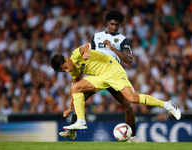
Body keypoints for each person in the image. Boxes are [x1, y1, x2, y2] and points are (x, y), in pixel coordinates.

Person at [50, 43, 181, 140]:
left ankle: (167, 105)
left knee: (133, 99)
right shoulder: (72, 71)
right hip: (100, 77)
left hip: (112, 70)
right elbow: (75, 86)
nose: (67, 71)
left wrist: (86, 53)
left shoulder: (75, 54)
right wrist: (69, 107)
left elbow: (87, 46)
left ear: (66, 59)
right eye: (63, 71)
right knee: (75, 87)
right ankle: (81, 121)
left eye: (65, 67)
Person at [59, 9, 140, 142]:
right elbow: (90, 53)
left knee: (128, 106)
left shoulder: (122, 40)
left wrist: (113, 49)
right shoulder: (96, 36)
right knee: (80, 96)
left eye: (117, 25)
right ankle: (72, 131)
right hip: (98, 74)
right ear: (107, 23)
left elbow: (129, 60)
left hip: (113, 74)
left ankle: (133, 137)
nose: (114, 27)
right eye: (112, 24)